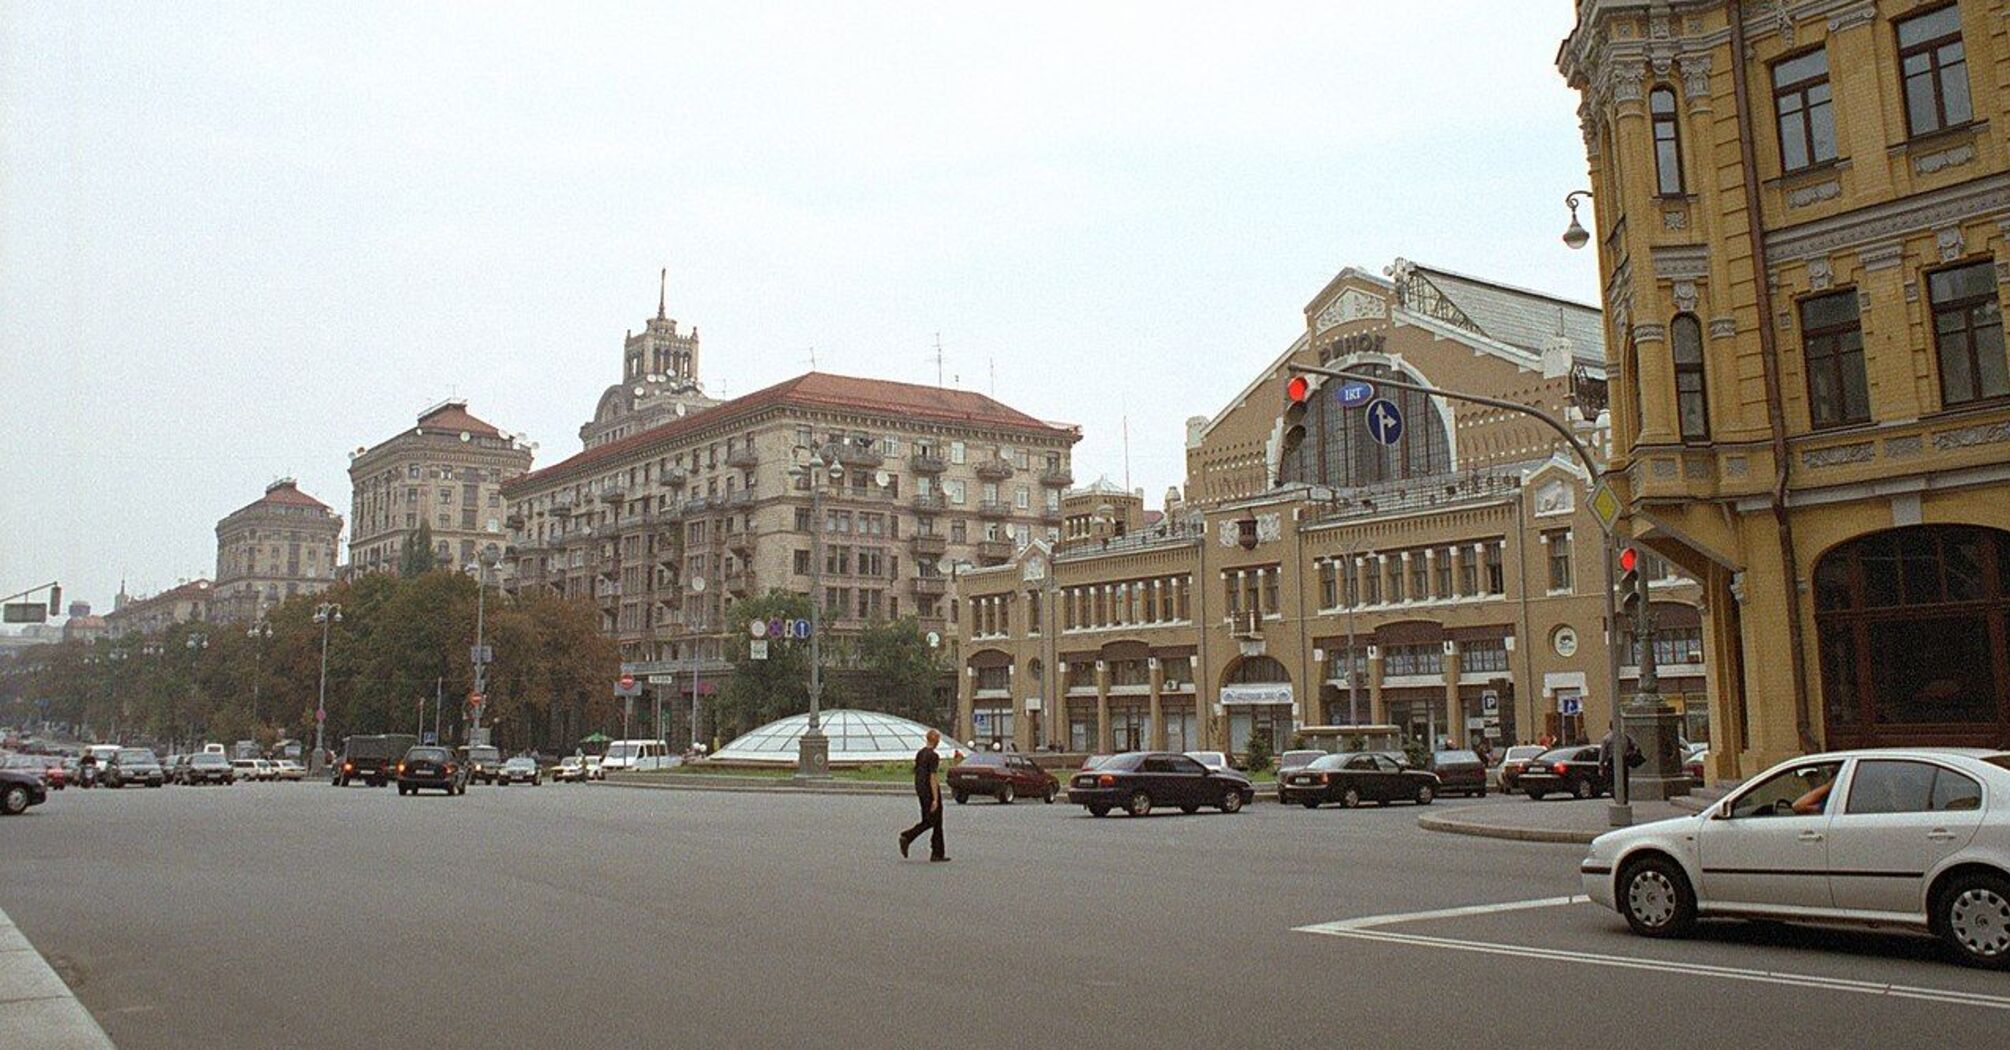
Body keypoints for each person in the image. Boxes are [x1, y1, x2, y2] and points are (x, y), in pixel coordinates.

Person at [898, 729, 948, 863]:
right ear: (936, 740)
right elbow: (932, 777)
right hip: (930, 791)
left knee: (936, 821)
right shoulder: (933, 756)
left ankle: (937, 853)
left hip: (921, 790)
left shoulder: (920, 753)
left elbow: (917, 773)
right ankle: (907, 836)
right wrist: (935, 798)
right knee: (930, 821)